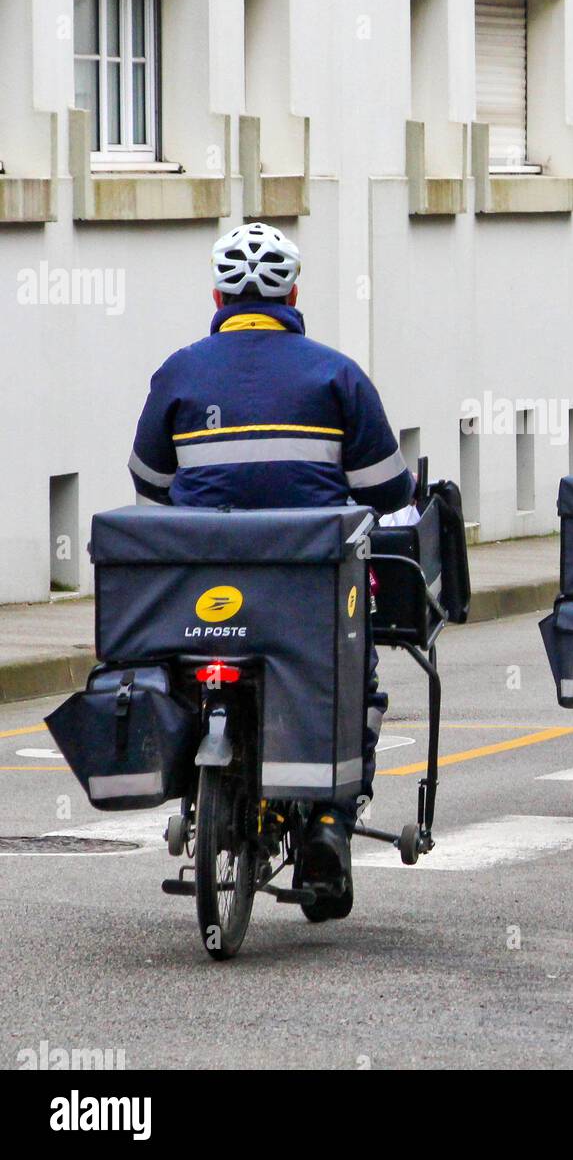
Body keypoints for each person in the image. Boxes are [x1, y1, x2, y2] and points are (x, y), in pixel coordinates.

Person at [129, 222, 413, 915]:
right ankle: (327, 825)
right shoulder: (334, 373)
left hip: (197, 590)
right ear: (291, 290)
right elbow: (388, 491)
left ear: (219, 293)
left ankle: (197, 779)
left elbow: (148, 484)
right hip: (309, 590)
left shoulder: (179, 371)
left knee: (178, 668)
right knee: (354, 689)